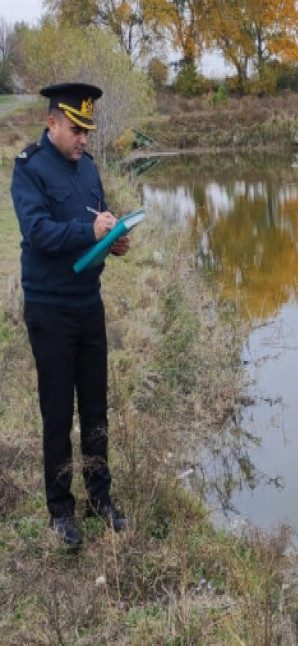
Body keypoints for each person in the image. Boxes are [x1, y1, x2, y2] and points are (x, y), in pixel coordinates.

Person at [10, 82, 130, 546]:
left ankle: (100, 498)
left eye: (88, 130)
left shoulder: (90, 170)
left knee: (96, 409)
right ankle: (61, 511)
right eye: (77, 129)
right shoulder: (30, 170)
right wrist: (88, 229)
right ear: (52, 122)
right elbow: (39, 232)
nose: (84, 139)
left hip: (88, 306)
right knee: (58, 413)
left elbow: (97, 225)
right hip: (50, 310)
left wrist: (115, 241)